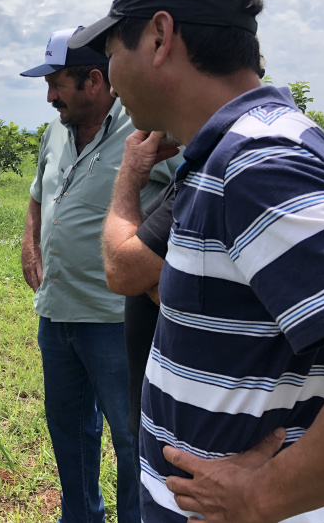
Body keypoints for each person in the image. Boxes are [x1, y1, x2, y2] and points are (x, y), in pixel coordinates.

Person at [71, 0, 324, 521]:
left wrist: (264, 493)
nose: (108, 70)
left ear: (159, 36)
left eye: (110, 48)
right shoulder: (225, 157)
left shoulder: (259, 163)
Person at [19, 26, 177, 523]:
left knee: (133, 437)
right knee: (69, 431)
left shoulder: (148, 131)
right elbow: (38, 194)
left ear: (93, 80)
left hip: (118, 319)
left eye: (57, 84)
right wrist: (30, 239)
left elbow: (185, 202)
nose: (49, 98)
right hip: (57, 313)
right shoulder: (54, 132)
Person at [101, 130, 180, 438]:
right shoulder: (199, 167)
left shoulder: (223, 169)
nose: (114, 90)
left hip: (187, 439)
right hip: (164, 417)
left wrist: (130, 175)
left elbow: (124, 270)